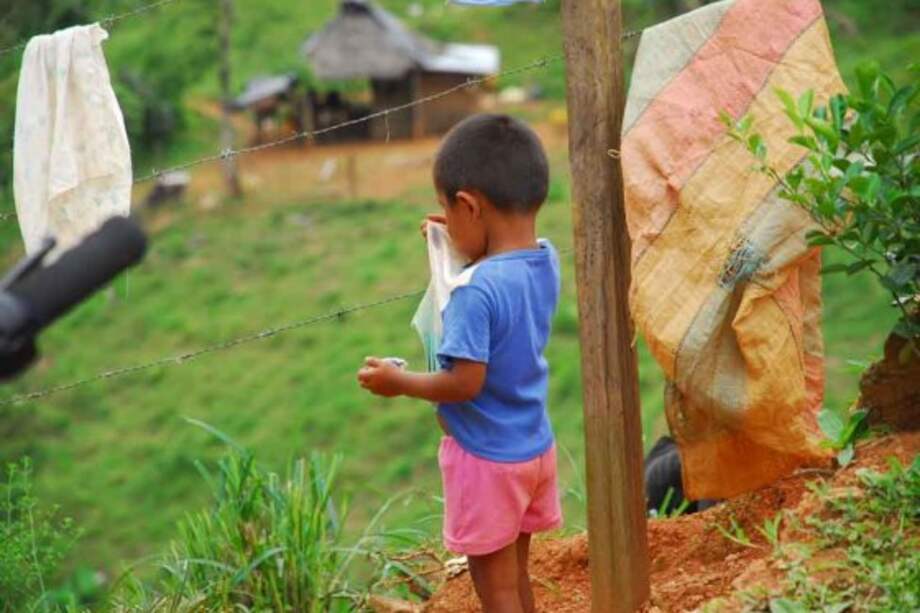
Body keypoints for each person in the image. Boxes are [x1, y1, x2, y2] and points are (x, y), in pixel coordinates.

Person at [357, 113, 561, 613]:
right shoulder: (545, 259)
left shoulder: (475, 293)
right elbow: (496, 259)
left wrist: (398, 381)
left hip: (487, 460)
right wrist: (449, 238)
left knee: (496, 590)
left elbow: (464, 382)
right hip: (533, 448)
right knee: (516, 577)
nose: (446, 221)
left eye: (450, 210)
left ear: (470, 206)